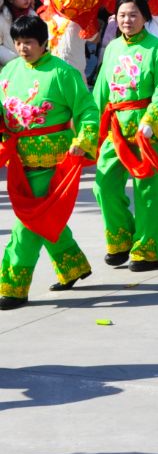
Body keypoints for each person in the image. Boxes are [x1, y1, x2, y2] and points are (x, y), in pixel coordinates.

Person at [0, 16, 99, 310]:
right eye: (17, 42)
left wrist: (83, 140)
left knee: (27, 225)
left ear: (44, 43)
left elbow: (88, 110)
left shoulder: (62, 73)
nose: (22, 48)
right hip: (18, 161)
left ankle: (13, 287)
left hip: (52, 163)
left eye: (28, 42)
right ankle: (73, 266)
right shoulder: (9, 71)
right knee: (43, 220)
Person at [92, 0, 158, 271]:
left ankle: (149, 250)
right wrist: (90, 126)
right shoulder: (113, 48)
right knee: (103, 185)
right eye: (122, 15)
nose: (127, 20)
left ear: (145, 18)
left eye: (133, 15)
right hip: (117, 127)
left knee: (148, 191)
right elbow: (101, 90)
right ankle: (121, 237)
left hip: (147, 128)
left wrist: (152, 121)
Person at [0, 0, 34, 66]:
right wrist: (15, 61)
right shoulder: (3, 19)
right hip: (12, 65)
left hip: (32, 63)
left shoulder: (33, 15)